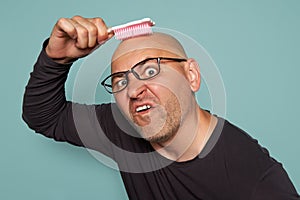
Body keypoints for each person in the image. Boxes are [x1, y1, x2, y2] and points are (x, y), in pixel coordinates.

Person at [22, 15, 299, 200]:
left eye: (151, 70)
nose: (133, 90)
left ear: (191, 75)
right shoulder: (122, 128)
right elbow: (45, 116)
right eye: (120, 80)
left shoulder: (252, 176)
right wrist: (56, 59)